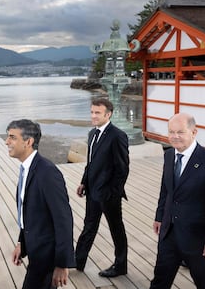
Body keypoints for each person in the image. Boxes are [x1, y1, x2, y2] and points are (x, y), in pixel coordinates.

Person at [150, 113, 205, 288]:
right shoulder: (169, 155)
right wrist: (159, 216)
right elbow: (166, 190)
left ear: (194, 132)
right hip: (169, 232)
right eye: (171, 132)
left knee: (204, 283)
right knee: (159, 281)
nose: (174, 136)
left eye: (180, 132)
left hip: (198, 238)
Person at [6, 119, 75, 289]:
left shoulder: (47, 172)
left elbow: (63, 219)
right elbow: (28, 212)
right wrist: (22, 242)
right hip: (35, 249)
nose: (7, 142)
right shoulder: (26, 168)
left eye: (12, 137)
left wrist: (61, 264)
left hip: (47, 257)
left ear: (28, 142)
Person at [75, 98, 129, 277]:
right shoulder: (92, 133)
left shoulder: (118, 136)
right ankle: (77, 262)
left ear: (108, 114)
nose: (93, 116)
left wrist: (112, 193)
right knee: (89, 227)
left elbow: (122, 169)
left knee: (116, 229)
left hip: (108, 195)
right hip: (92, 191)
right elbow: (90, 163)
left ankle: (120, 266)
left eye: (97, 113)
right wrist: (84, 182)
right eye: (92, 112)